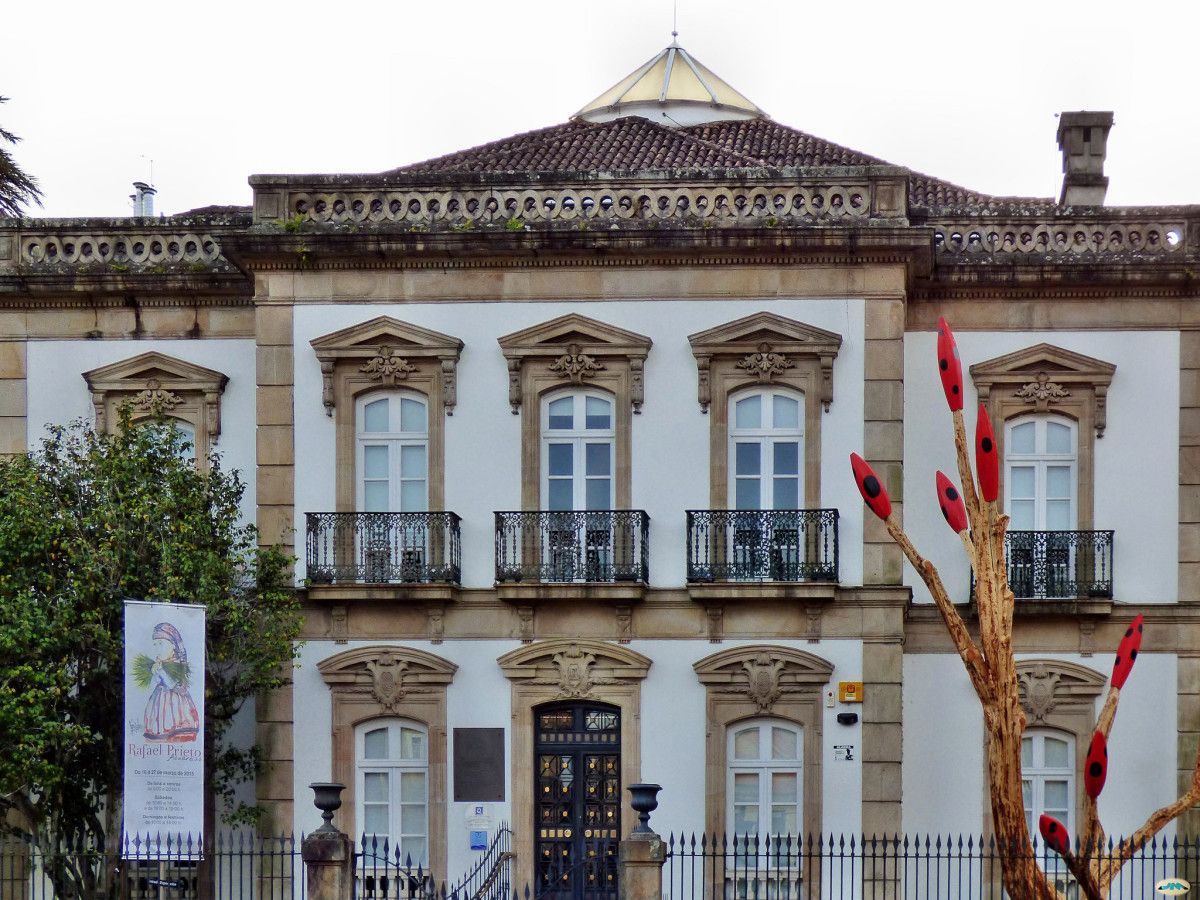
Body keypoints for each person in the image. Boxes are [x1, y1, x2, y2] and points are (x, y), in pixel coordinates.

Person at [142, 621, 200, 743]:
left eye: (161, 644)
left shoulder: (179, 665)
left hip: (177, 705)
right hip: (159, 704)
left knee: (176, 731)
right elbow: (154, 683)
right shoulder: (159, 664)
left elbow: (175, 685)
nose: (157, 648)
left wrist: (162, 671)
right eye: (155, 644)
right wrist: (155, 672)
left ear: (173, 645)